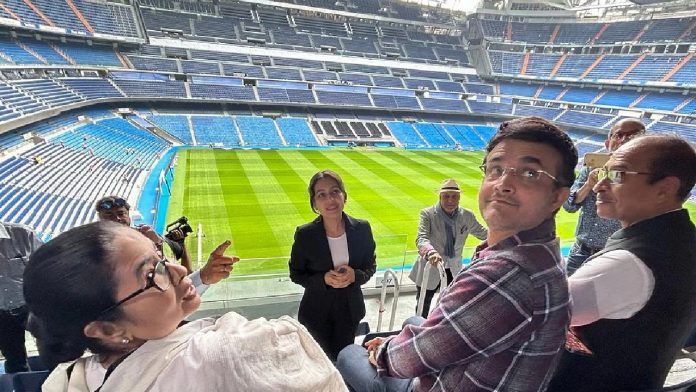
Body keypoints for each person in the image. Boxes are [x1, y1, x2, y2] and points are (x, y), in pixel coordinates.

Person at [337, 116, 576, 392]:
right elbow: (422, 238)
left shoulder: (505, 274)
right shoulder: (542, 255)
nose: (503, 184)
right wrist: (429, 253)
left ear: (558, 196)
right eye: (496, 169)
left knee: (349, 355)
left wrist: (382, 350)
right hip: (441, 287)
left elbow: (404, 359)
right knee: (418, 316)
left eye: (529, 173)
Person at [25, 221, 347, 391]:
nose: (178, 270)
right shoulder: (235, 352)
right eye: (153, 274)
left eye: (161, 255)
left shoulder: (77, 378)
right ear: (108, 328)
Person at [548, 135, 696, 392]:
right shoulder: (682, 238)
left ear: (665, 188)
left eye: (618, 174)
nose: (599, 185)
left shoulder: (627, 264)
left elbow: (530, 317)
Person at [289, 170, 377, 361]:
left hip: (349, 311)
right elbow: (296, 274)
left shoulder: (362, 229)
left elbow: (370, 266)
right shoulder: (305, 235)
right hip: (315, 314)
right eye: (321, 195)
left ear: (344, 196)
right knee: (317, 364)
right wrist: (323, 279)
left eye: (335, 191)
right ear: (314, 203)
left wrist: (355, 276)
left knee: (344, 363)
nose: (330, 199)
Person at [95, 196, 229, 294]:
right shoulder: (94, 248)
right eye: (109, 215)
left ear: (128, 216)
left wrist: (163, 245)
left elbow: (181, 276)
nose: (117, 218)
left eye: (121, 213)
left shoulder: (146, 237)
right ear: (100, 219)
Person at [563, 118, 645, 275]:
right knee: (567, 296)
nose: (624, 140)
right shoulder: (592, 168)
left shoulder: (642, 176)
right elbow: (569, 206)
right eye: (619, 135)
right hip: (580, 251)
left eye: (632, 136)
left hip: (614, 255)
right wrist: (588, 184)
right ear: (608, 142)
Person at [408, 179, 487, 317]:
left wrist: (507, 235)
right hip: (430, 267)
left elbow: (484, 234)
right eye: (446, 196)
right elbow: (421, 238)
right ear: (440, 196)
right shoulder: (428, 214)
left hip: (454, 269)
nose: (450, 200)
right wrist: (431, 252)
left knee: (449, 306)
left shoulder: (467, 216)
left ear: (459, 197)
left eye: (454, 196)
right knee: (423, 305)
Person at [0, 222, 42, 373]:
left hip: (33, 306)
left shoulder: (23, 234)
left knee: (55, 351)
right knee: (14, 360)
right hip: (1, 313)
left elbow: (48, 267)